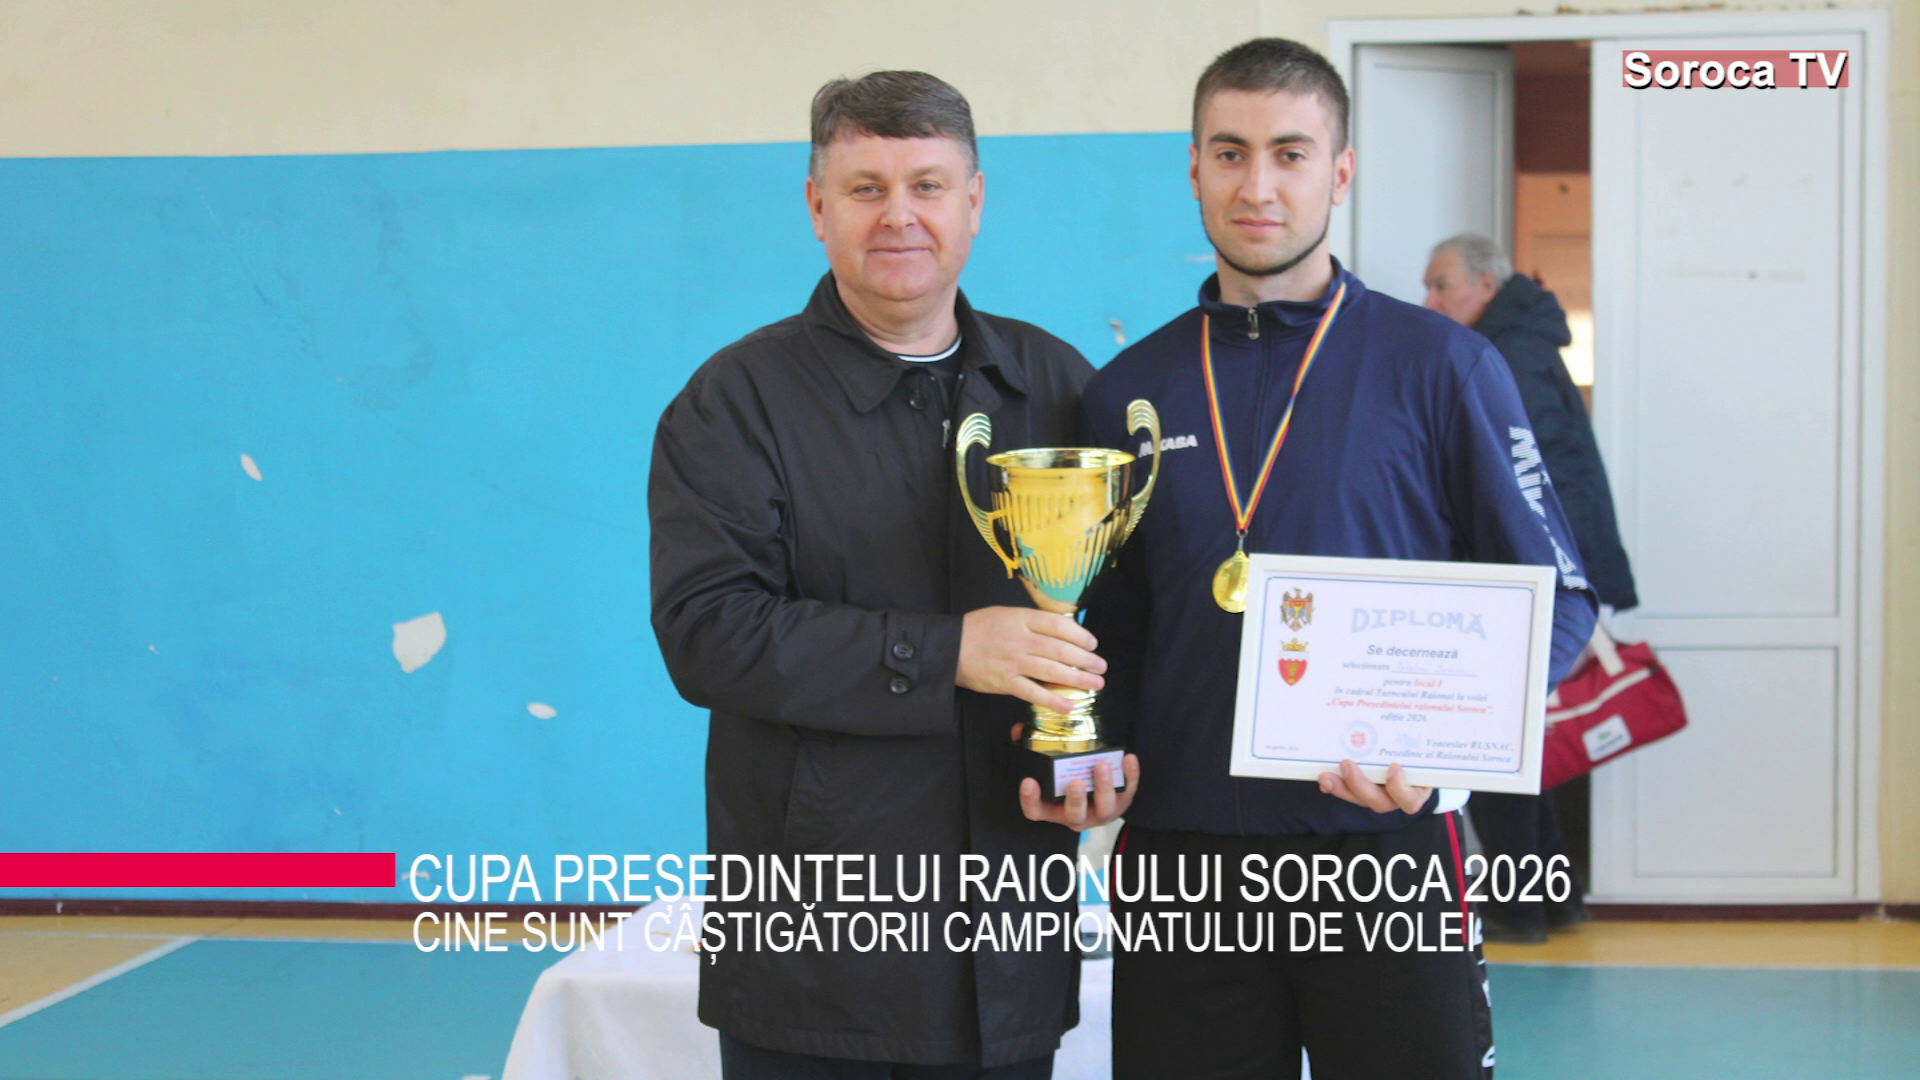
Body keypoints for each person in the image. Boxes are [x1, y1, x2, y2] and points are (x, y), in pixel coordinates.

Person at [1078, 39, 1598, 1078]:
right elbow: (1119, 629)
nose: (1258, 186)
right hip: (1187, 862)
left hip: (1382, 852)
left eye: (1291, 153)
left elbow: (1561, 603)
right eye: (1230, 153)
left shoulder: (1444, 365)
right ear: (1194, 169)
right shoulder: (1128, 391)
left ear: (1341, 172)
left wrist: (1446, 753)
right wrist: (1092, 751)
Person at [649, 71, 1131, 1079]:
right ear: (817, 206)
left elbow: (1122, 612)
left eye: (928, 186)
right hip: (818, 964)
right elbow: (707, 634)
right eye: (866, 188)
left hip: (1010, 946)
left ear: (975, 203)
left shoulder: (1056, 383)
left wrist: (1101, 759)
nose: (899, 215)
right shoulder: (736, 401)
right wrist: (949, 653)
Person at [1424, 234, 1639, 943]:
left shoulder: (1504, 354)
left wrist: (1549, 584)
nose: (1430, 301)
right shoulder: (1524, 344)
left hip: (1528, 580)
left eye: (1441, 285)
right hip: (1550, 573)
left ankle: (1520, 909)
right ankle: (1556, 897)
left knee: (1493, 742)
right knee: (1522, 742)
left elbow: (1534, 483)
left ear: (1486, 284)